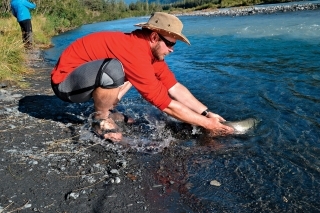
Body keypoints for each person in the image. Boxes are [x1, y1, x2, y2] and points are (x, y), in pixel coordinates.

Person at [51, 12, 234, 142]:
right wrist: (208, 125)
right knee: (115, 69)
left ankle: (109, 110)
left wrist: (206, 113)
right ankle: (100, 119)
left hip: (85, 80)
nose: (172, 49)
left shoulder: (147, 53)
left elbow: (174, 87)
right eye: (170, 43)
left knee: (129, 73)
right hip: (66, 85)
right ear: (154, 37)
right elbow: (163, 103)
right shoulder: (134, 52)